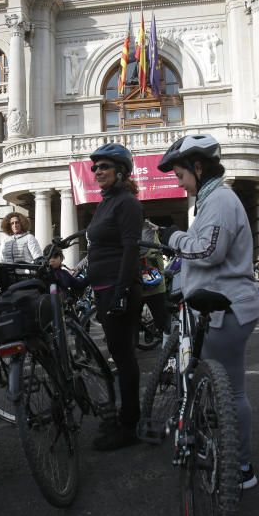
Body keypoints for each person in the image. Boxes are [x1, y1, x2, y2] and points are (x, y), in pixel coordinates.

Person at [157, 134, 259, 489]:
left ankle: (240, 467)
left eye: (181, 175)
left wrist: (172, 238)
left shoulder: (218, 200)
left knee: (231, 392)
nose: (180, 183)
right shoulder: (213, 199)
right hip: (225, 307)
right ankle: (236, 458)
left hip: (224, 310)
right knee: (228, 390)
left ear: (198, 167)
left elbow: (208, 250)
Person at [86, 142, 143, 450]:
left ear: (121, 172)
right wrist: (78, 280)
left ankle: (129, 425)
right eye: (95, 168)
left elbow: (131, 248)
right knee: (118, 355)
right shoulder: (105, 202)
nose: (97, 172)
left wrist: (121, 292)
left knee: (124, 357)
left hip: (118, 290)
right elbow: (98, 249)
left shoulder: (127, 203)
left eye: (104, 167)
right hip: (102, 288)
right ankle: (124, 415)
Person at [140, 218, 169, 340]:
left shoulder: (147, 229)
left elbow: (147, 251)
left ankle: (168, 347)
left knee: (161, 319)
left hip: (153, 282)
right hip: (142, 283)